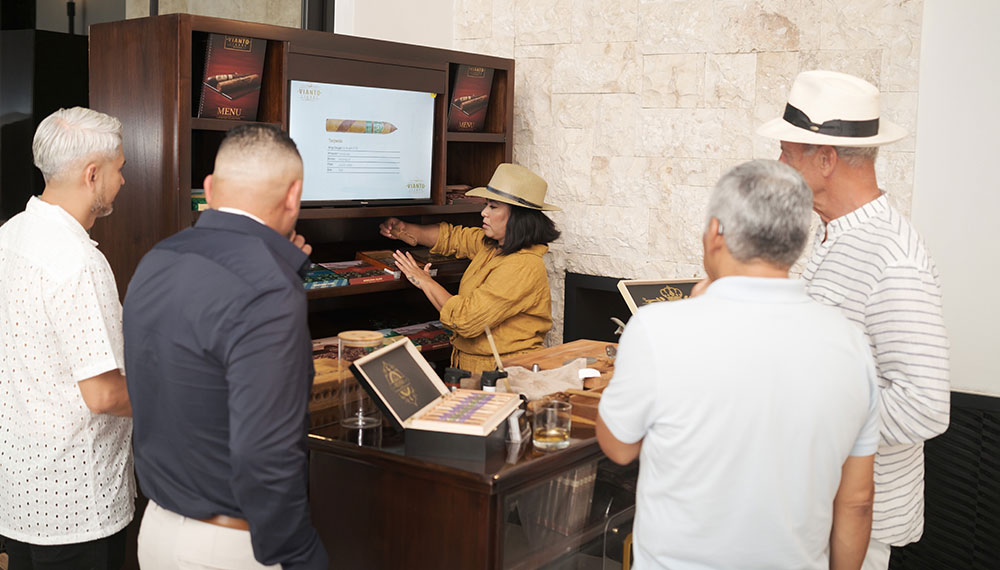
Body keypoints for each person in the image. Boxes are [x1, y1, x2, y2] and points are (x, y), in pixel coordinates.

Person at [598, 159, 881, 570]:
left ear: (715, 232)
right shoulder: (851, 343)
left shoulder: (658, 329)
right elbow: (857, 502)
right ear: (798, 241)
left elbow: (619, 447)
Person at [758, 70, 950, 569]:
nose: (778, 163)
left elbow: (927, 406)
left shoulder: (892, 255)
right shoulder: (831, 233)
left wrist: (809, 415)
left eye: (788, 151)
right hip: (816, 511)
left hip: (855, 526)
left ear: (826, 159)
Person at [121, 124, 327, 570]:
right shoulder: (269, 290)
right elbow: (265, 453)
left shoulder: (158, 258)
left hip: (155, 529)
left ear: (210, 189)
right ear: (293, 197)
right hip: (231, 545)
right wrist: (300, 554)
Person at [0, 107, 134, 568]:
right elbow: (102, 394)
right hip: (80, 506)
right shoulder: (78, 261)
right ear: (92, 174)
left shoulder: (9, 235)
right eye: (119, 169)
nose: (123, 180)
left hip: (18, 497)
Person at [379, 163, 561, 374]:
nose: (483, 212)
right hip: (475, 367)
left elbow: (466, 319)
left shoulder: (523, 266)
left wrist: (425, 281)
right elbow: (454, 237)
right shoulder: (492, 244)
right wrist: (404, 229)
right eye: (486, 204)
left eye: (493, 207)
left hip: (504, 374)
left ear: (519, 217)